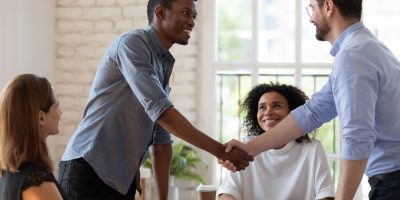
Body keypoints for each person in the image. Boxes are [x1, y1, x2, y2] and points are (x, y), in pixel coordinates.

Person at [59, 0, 253, 199]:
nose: (192, 22)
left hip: (120, 182)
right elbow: (161, 112)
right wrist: (221, 151)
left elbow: (161, 140)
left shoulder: (162, 63)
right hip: (87, 170)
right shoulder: (132, 44)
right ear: (160, 12)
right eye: (186, 13)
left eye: (194, 16)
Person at [222, 0, 400, 199]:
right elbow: (312, 113)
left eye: (312, 8)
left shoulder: (353, 56)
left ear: (329, 6)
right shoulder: (365, 48)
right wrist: (250, 148)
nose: (310, 17)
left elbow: (358, 136)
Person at [218, 83, 335, 200]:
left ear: (293, 113)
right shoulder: (244, 147)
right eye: (262, 107)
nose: (268, 112)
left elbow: (326, 195)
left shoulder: (313, 149)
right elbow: (227, 193)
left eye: (276, 106)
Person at [0, 74, 66, 200]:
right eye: (56, 107)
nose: (60, 114)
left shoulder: (7, 172)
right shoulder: (36, 182)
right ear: (41, 117)